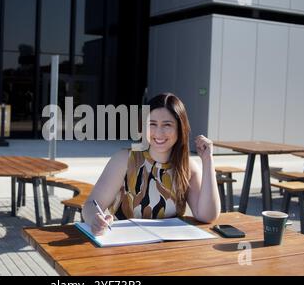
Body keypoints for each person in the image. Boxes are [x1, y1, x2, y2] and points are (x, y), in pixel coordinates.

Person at [82, 93, 221, 236]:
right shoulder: (125, 159)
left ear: (180, 129)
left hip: (168, 249)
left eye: (167, 125)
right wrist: (95, 219)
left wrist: (208, 160)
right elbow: (90, 206)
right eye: (152, 124)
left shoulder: (187, 166)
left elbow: (207, 216)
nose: (159, 133)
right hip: (123, 247)